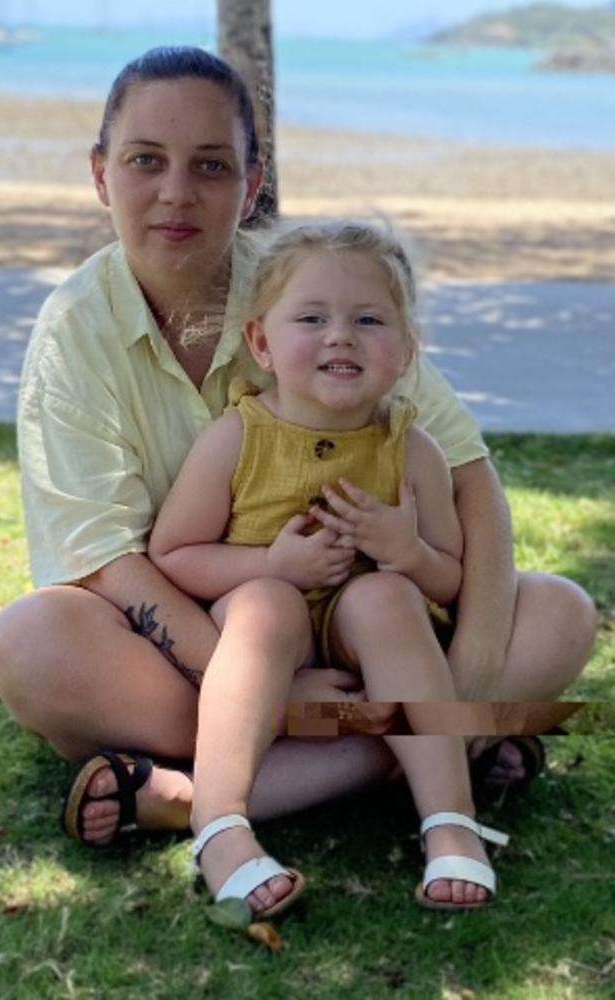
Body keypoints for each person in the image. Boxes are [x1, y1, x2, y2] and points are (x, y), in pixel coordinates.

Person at [0, 46, 596, 854]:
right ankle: (426, 754)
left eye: (211, 164)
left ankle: (204, 793)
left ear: (252, 180)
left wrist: (471, 675)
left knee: (560, 612)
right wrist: (269, 684)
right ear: (101, 175)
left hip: (374, 633)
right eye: (145, 161)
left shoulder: (311, 290)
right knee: (30, 643)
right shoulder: (74, 331)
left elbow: (468, 474)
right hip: (206, 638)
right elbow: (104, 559)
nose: (177, 192)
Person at [149, 219, 514, 914]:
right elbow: (174, 554)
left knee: (385, 599)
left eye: (369, 320)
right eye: (311, 317)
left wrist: (407, 552)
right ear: (261, 342)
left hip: (368, 640)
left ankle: (449, 820)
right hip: (267, 635)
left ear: (407, 351)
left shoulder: (412, 451)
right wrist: (273, 563)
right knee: (265, 604)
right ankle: (220, 823)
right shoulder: (238, 437)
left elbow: (451, 578)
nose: (339, 336)